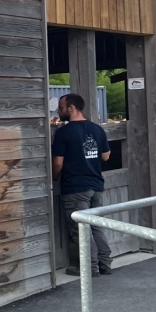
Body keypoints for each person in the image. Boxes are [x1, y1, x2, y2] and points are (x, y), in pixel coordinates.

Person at [52, 93, 113, 277]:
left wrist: (54, 178)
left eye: (61, 107)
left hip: (75, 187)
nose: (58, 111)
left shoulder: (64, 132)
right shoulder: (97, 129)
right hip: (96, 185)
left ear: (71, 108)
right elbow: (106, 156)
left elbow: (57, 163)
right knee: (96, 227)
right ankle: (105, 263)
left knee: (80, 229)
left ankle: (89, 267)